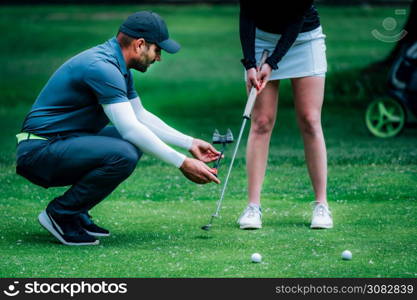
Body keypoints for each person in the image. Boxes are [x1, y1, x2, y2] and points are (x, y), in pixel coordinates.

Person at [15, 11, 221, 246]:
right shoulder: (102, 67)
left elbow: (140, 116)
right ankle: (61, 214)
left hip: (62, 141)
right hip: (39, 152)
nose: (159, 58)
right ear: (140, 44)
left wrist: (190, 143)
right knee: (123, 152)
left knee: (131, 146)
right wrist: (182, 163)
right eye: (158, 50)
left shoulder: (117, 66)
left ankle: (76, 211)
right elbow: (130, 129)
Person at [237, 0, 333, 229]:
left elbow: (295, 20)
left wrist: (272, 62)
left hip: (304, 38)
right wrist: (250, 63)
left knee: (310, 120)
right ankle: (252, 207)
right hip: (261, 39)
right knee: (261, 121)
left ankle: (322, 205)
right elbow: (247, 13)